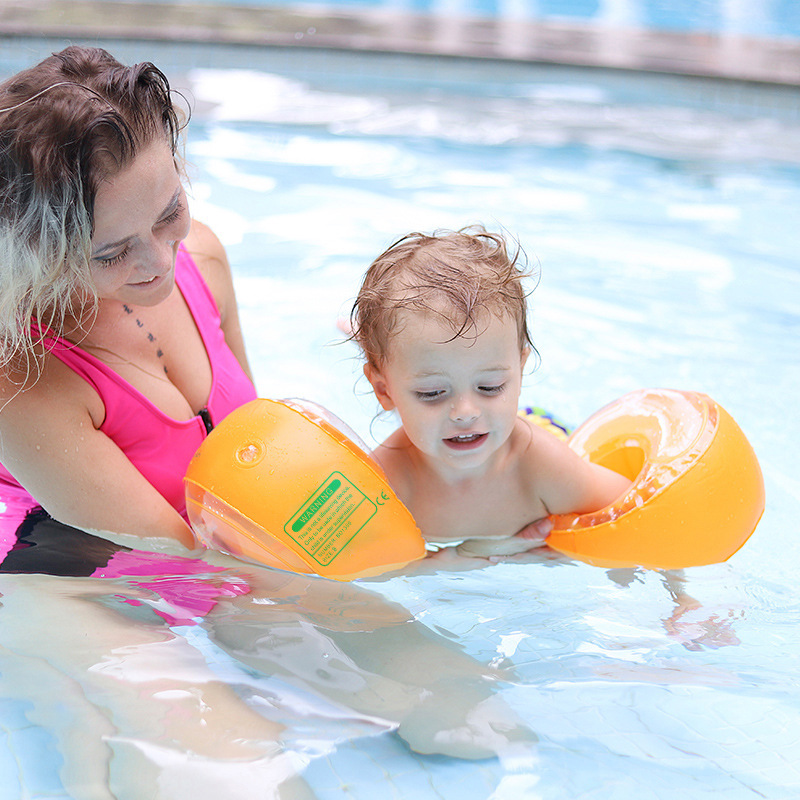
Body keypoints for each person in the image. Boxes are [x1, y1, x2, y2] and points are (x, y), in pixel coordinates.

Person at [0, 45, 257, 566]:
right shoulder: (23, 378)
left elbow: (259, 453)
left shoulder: (202, 255)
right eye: (113, 252)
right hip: (67, 568)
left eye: (169, 213)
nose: (160, 261)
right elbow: (184, 564)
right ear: (39, 250)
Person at [350, 225, 631, 559]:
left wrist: (548, 551)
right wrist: (457, 562)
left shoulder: (541, 466)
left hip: (545, 427)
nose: (465, 411)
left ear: (521, 368)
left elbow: (643, 517)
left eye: (490, 386)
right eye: (432, 393)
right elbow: (338, 571)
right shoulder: (388, 485)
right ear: (384, 391)